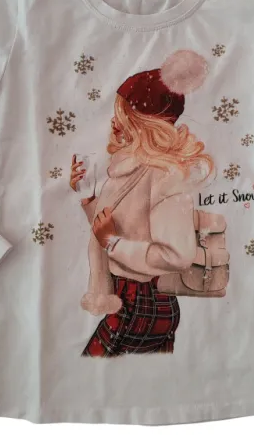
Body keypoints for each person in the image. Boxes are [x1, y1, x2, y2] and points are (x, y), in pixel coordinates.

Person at [70, 50, 214, 357]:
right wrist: (87, 197)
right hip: (129, 297)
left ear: (146, 123)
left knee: (97, 367)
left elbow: (177, 254)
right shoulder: (130, 167)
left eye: (123, 115)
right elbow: (116, 226)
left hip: (144, 300)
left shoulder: (165, 177)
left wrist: (111, 242)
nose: (114, 122)